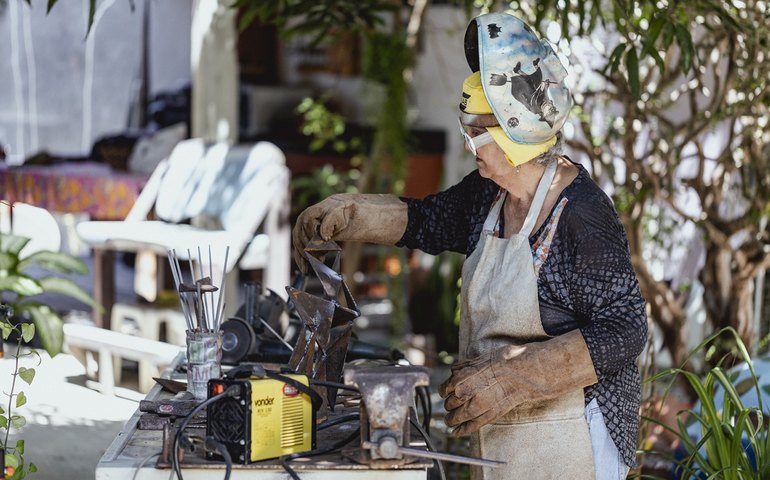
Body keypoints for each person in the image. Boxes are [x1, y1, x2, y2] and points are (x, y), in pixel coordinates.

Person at [293, 12, 647, 480]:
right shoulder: (490, 194)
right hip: (503, 433)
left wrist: (516, 376)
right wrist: (353, 212)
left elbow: (625, 329)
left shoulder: (582, 215)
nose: (468, 145)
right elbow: (431, 221)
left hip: (575, 437)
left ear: (516, 130)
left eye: (477, 133)